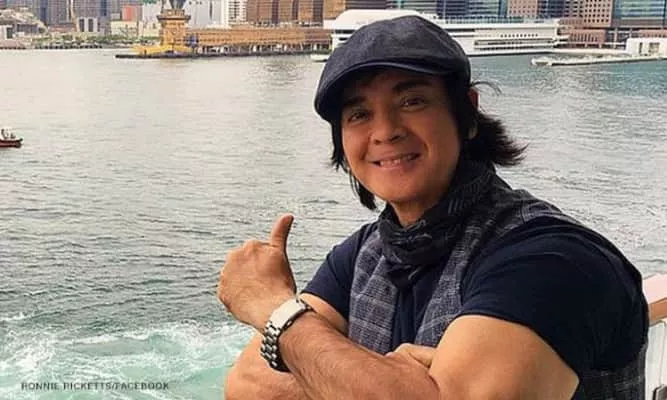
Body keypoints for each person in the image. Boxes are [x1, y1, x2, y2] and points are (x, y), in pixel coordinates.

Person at [217, 15, 648, 400]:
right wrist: (388, 382)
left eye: (412, 101)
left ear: (468, 115)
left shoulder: (552, 259)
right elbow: (250, 387)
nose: (385, 132)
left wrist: (277, 310)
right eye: (359, 114)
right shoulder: (364, 255)